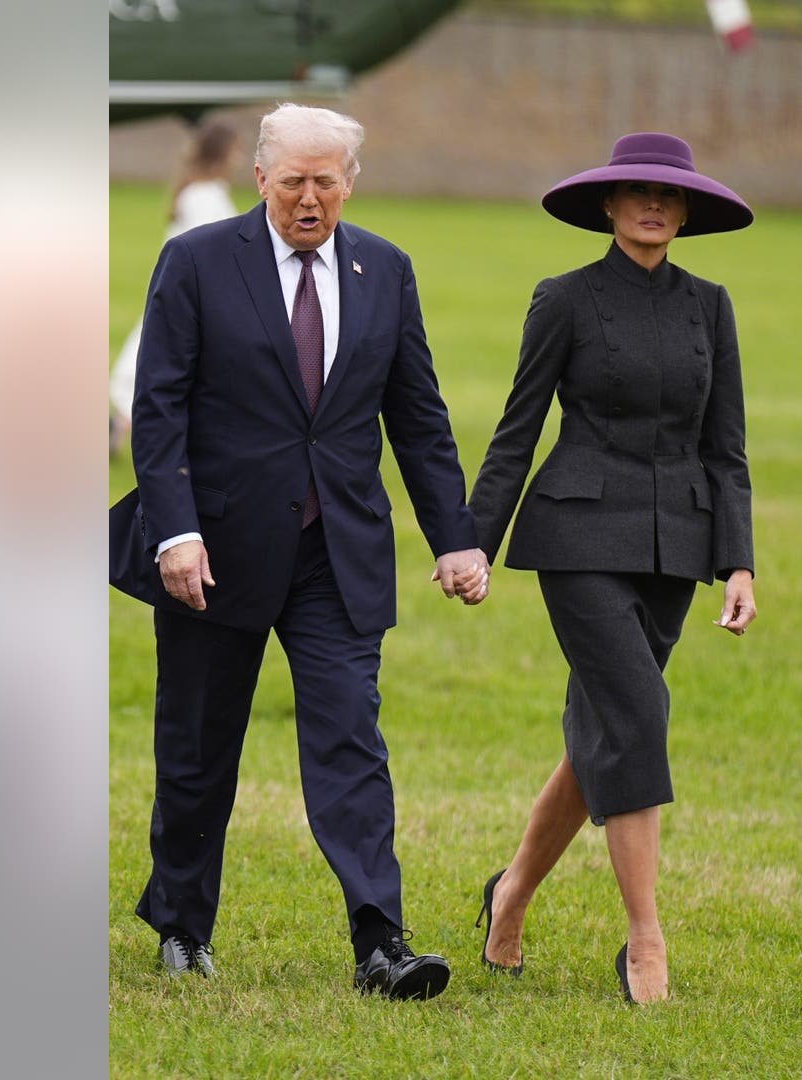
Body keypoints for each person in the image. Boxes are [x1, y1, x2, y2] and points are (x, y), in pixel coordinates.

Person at [109, 103, 491, 999]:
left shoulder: (385, 271)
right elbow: (159, 410)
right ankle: (182, 926)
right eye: (293, 183)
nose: (310, 199)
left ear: (350, 181)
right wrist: (176, 530)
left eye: (326, 181)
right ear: (261, 180)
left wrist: (455, 540)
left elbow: (420, 419)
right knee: (199, 748)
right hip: (215, 551)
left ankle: (380, 942)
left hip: (336, 552)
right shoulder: (199, 262)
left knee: (352, 741)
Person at [466, 133, 757, 1004]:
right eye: (637, 192)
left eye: (670, 196)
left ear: (688, 211)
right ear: (607, 203)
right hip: (580, 537)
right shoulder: (566, 299)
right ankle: (645, 939)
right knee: (638, 713)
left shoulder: (711, 306)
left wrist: (738, 562)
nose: (654, 206)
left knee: (605, 730)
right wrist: (475, 540)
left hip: (678, 546)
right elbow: (517, 430)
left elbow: (728, 450)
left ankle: (510, 891)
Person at [111, 118, 245, 454]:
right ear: (224, 153)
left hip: (185, 287)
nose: (240, 158)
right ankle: (129, 425)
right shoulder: (204, 196)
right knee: (166, 360)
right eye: (237, 150)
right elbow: (207, 247)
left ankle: (124, 425)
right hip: (189, 290)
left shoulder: (204, 191)